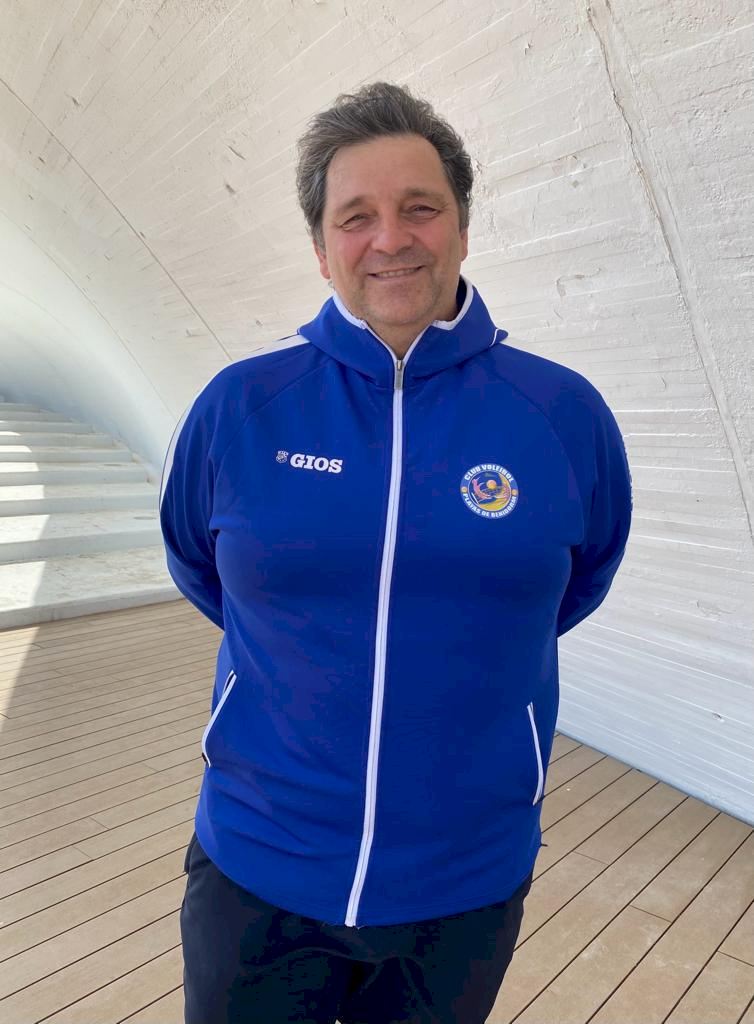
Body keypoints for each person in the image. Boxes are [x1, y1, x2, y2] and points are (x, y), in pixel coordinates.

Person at [159, 81, 632, 1024]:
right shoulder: (242, 407)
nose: (391, 239)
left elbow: (577, 582)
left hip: (463, 881)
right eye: (356, 217)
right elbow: (203, 569)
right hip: (259, 863)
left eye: (420, 207)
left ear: (462, 227)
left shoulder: (561, 415)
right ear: (320, 246)